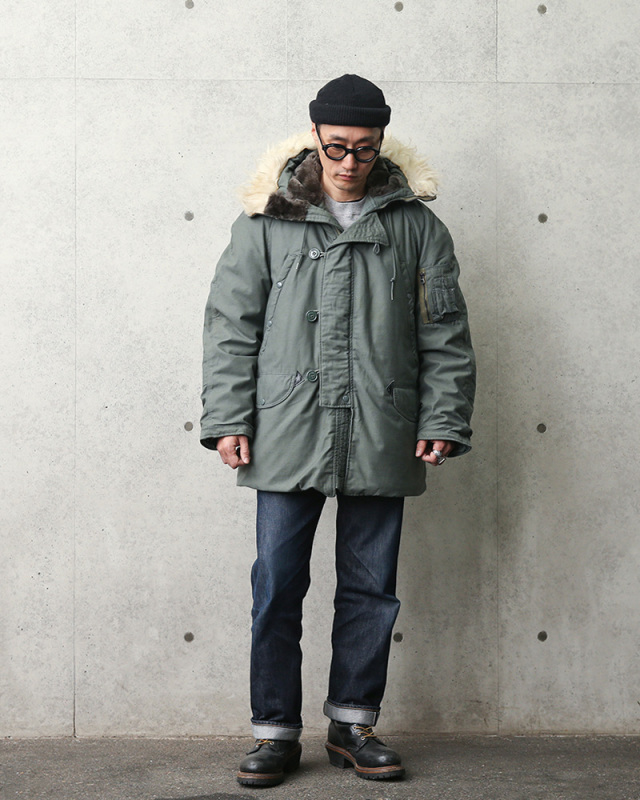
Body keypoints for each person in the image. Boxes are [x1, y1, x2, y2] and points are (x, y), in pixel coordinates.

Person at [200, 74, 476, 787]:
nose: (350, 162)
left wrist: (443, 417)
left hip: (383, 425)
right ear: (315, 139)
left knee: (371, 588)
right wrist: (227, 417)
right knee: (276, 586)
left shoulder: (417, 227)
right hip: (284, 427)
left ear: (382, 143)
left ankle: (353, 725)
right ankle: (274, 732)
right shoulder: (265, 223)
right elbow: (231, 327)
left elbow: (445, 334)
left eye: (364, 148)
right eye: (336, 147)